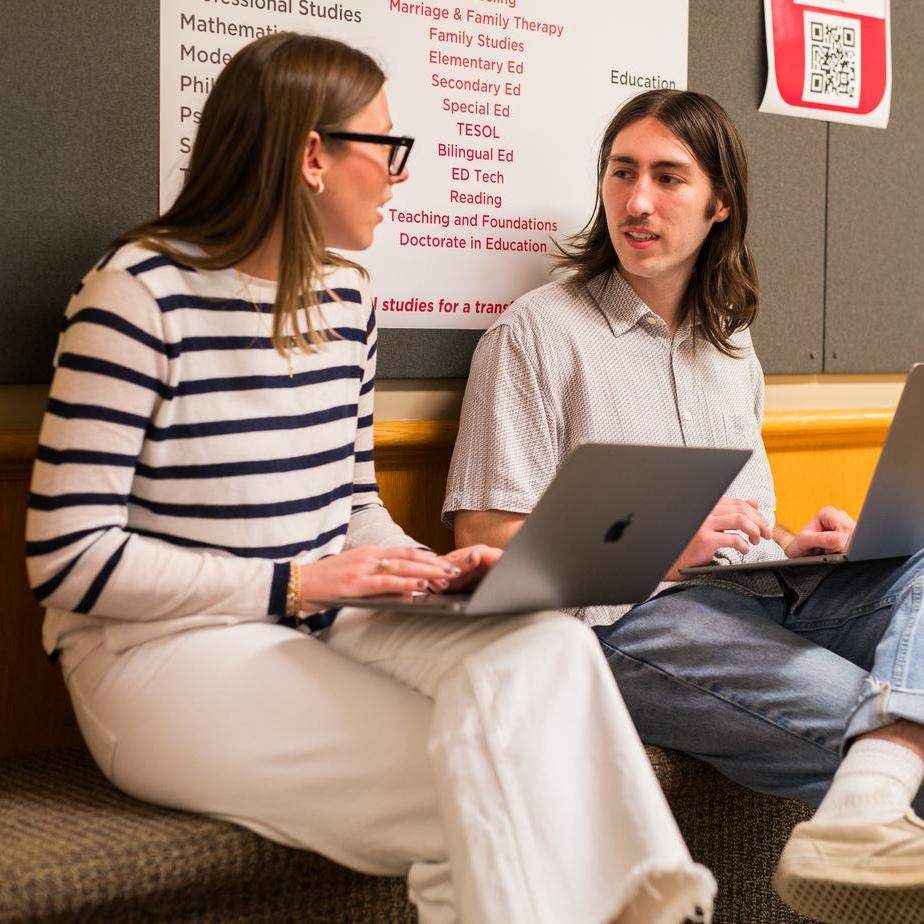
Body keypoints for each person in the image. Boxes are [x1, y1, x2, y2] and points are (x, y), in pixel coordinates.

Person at [25, 36, 717, 924]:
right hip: (156, 652)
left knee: (554, 646)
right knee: (479, 772)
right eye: (385, 148)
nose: (398, 175)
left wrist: (422, 567)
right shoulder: (136, 295)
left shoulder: (347, 297)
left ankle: (648, 906)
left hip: (321, 610)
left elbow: (351, 504)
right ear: (314, 155)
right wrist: (296, 581)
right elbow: (69, 561)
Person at [444, 88, 924, 923]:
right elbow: (486, 543)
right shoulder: (536, 333)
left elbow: (743, 523)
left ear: (719, 203)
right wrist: (664, 545)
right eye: (622, 173)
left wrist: (797, 541)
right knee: (895, 725)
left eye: (669, 178)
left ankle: (868, 797)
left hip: (759, 598)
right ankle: (876, 785)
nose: (637, 201)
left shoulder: (730, 347)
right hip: (622, 623)